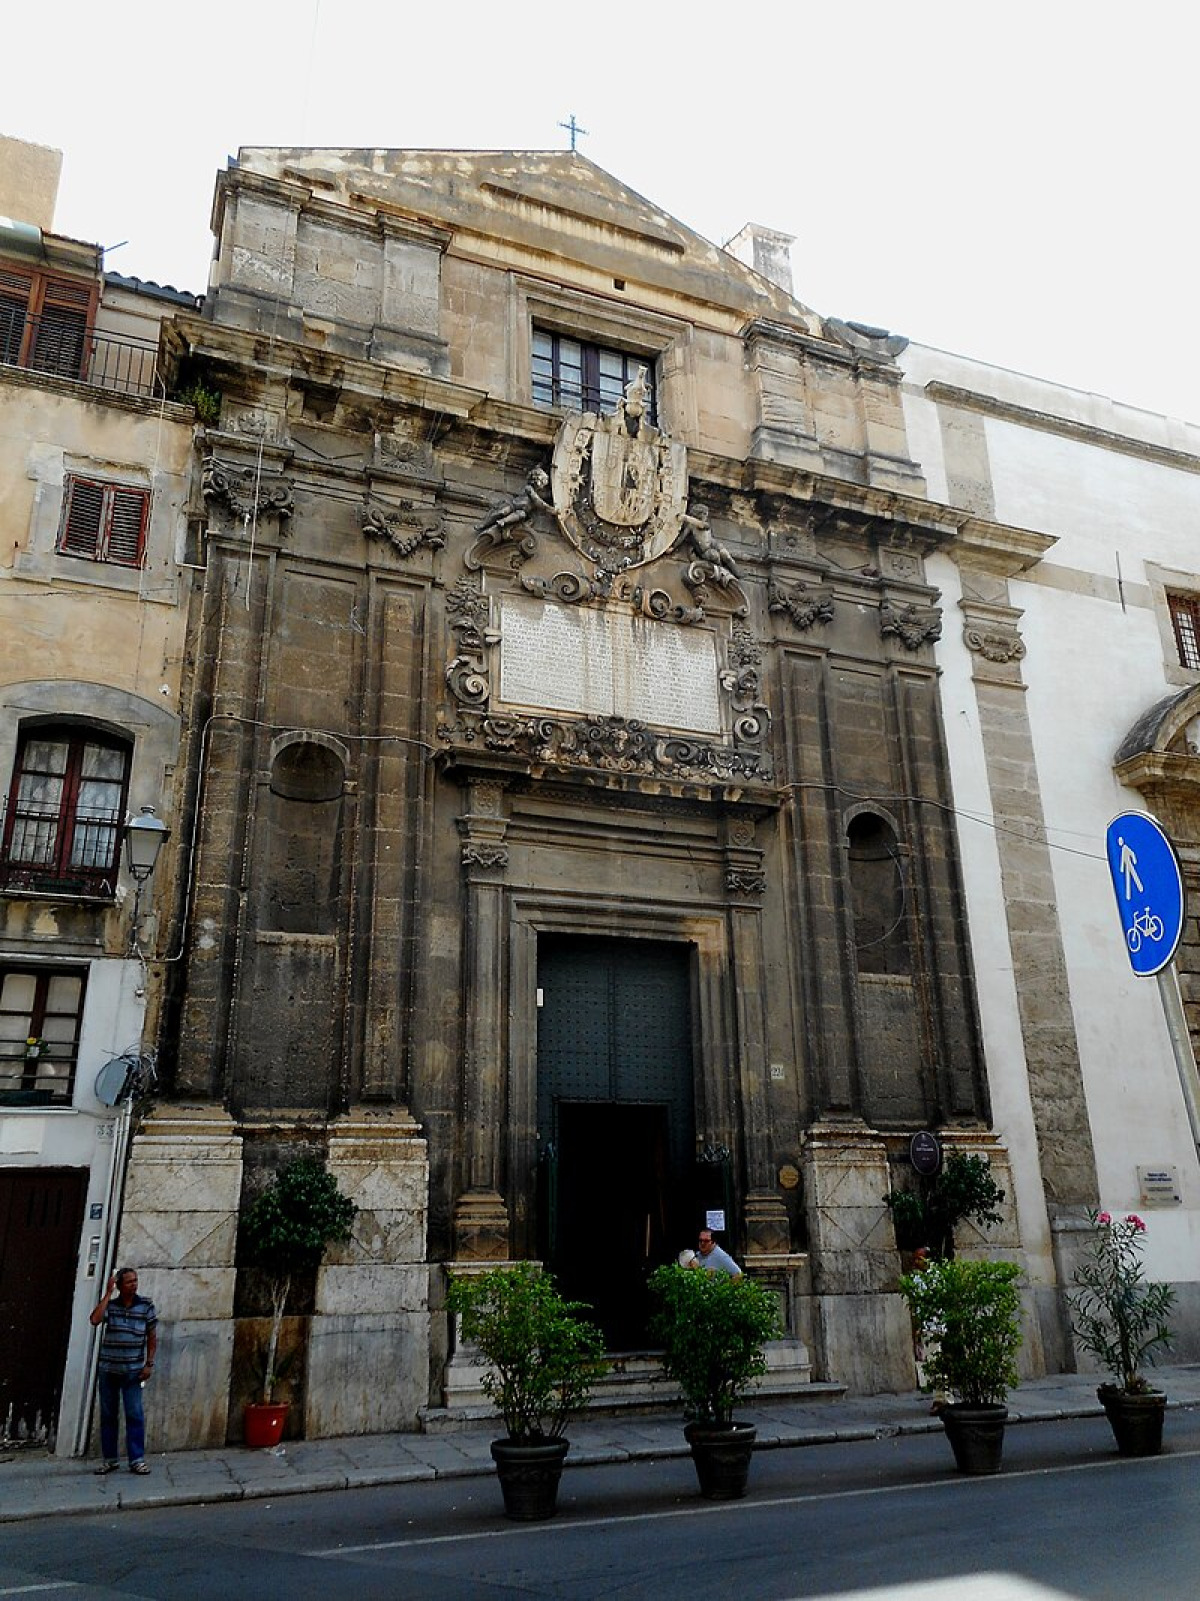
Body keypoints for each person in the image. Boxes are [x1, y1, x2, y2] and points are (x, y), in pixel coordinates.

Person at [90, 1266, 157, 1474]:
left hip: (133, 1370)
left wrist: (149, 1363)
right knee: (108, 1415)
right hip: (109, 1368)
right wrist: (108, 1293)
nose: (134, 1285)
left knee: (134, 1413)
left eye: (135, 1281)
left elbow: (152, 1336)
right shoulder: (111, 1306)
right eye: (129, 1282)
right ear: (119, 1285)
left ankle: (136, 1459)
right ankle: (110, 1459)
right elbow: (94, 1320)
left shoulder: (145, 1305)